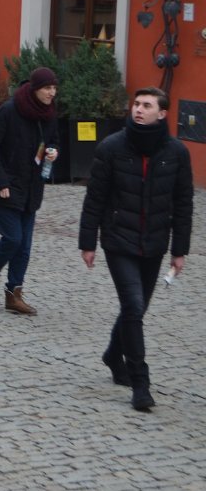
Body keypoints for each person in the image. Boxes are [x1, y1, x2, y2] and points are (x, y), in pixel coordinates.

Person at [78, 87, 193, 411]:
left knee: (137, 309)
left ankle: (113, 355)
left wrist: (179, 250)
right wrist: (88, 242)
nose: (139, 109)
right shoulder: (112, 147)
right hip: (118, 239)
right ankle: (140, 383)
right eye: (137, 104)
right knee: (132, 304)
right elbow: (95, 198)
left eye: (147, 105)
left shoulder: (176, 152)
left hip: (154, 242)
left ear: (162, 113)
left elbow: (183, 204)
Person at [0, 67, 60, 315]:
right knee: (13, 238)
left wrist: (53, 151)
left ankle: (14, 294)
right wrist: (0, 182)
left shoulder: (49, 113)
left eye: (54, 88)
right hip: (5, 187)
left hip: (32, 187)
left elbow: (53, 140)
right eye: (47, 88)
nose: (52, 93)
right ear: (35, 89)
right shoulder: (9, 111)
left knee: (24, 246)